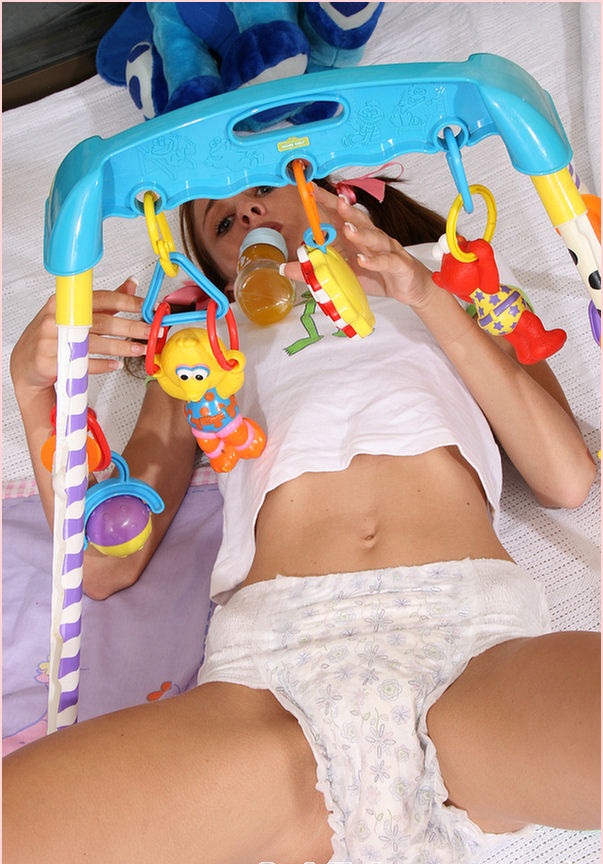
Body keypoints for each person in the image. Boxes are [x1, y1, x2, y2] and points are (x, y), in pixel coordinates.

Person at [4, 177, 599, 864]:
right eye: (221, 222)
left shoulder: (456, 272)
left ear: (338, 191)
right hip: (273, 676)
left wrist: (426, 298)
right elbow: (105, 564)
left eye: (261, 188)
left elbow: (565, 477)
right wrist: (34, 387)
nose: (247, 212)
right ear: (211, 266)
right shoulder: (202, 336)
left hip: (469, 648)